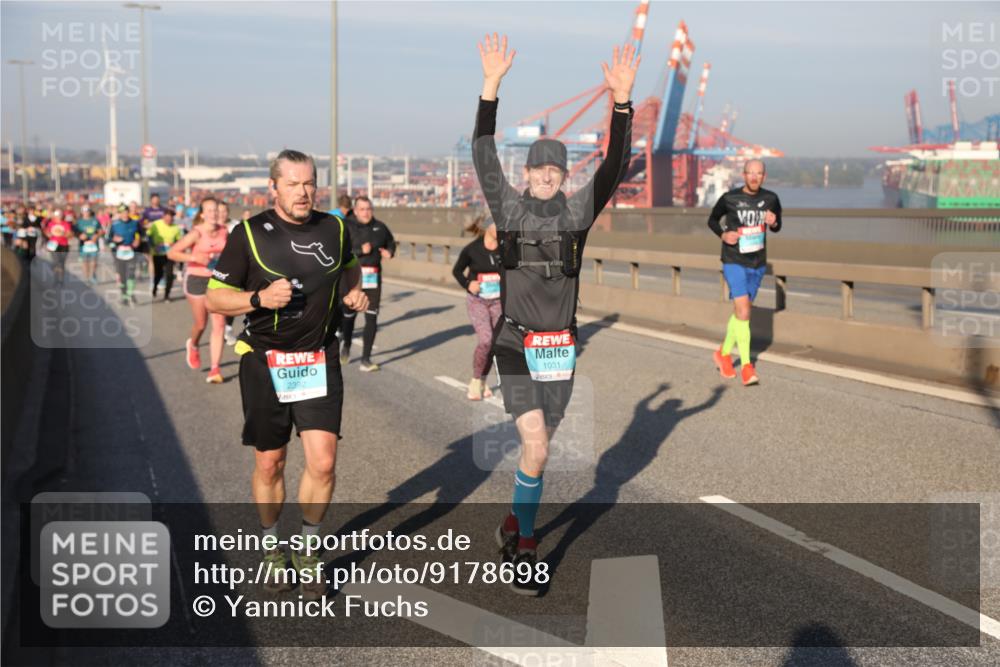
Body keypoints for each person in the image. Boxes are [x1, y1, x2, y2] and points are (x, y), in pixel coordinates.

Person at [473, 34, 637, 595]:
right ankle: (525, 547)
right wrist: (492, 85)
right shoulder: (509, 206)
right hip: (516, 343)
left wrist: (621, 103)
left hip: (560, 347)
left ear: (565, 177)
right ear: (527, 174)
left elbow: (615, 165)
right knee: (537, 444)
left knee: (536, 451)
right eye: (539, 168)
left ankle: (512, 520)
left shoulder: (577, 214)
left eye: (556, 170)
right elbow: (481, 149)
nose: (546, 175)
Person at [205, 149, 368, 600]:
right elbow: (216, 298)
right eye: (294, 184)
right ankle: (273, 547)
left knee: (323, 462)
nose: (304, 192)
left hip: (318, 358)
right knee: (269, 462)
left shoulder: (334, 227)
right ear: (273, 187)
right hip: (265, 362)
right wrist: (258, 300)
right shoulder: (249, 234)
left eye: (310, 182)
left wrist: (355, 294)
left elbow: (350, 271)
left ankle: (310, 551)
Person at [707, 159, 782, 386]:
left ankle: (723, 353)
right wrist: (723, 234)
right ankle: (747, 367)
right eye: (750, 173)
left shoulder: (771, 199)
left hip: (757, 263)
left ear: (764, 177)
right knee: (744, 310)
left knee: (741, 313)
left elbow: (777, 226)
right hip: (733, 260)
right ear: (743, 174)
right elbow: (711, 220)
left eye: (758, 173)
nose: (754, 177)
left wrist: (774, 222)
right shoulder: (730, 198)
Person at [167, 197, 228, 383]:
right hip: (196, 279)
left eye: (216, 210)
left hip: (217, 280)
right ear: (202, 214)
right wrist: (194, 257)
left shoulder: (225, 231)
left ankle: (214, 369)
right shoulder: (197, 233)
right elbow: (172, 253)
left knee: (219, 324)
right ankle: (193, 344)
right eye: (209, 210)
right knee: (201, 324)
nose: (214, 213)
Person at [338, 196, 395, 370]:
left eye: (369, 209)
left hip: (373, 279)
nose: (366, 212)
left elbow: (391, 242)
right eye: (362, 209)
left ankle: (366, 359)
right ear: (355, 211)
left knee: (372, 317)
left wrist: (390, 252)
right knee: (349, 317)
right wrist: (359, 251)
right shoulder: (346, 226)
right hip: (352, 279)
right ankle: (346, 343)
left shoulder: (380, 227)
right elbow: (338, 250)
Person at [452, 215, 502, 400]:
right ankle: (475, 380)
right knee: (486, 340)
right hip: (478, 301)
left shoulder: (506, 250)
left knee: (496, 343)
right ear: (488, 227)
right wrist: (468, 284)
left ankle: (482, 380)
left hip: (498, 302)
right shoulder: (472, 249)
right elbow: (456, 270)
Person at [108, 207, 141, 305]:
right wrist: (114, 240)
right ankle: (124, 296)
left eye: (126, 212)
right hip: (119, 252)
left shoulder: (135, 223)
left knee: (131, 273)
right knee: (122, 276)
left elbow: (142, 234)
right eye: (122, 213)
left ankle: (130, 293)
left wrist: (137, 241)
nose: (125, 214)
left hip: (131, 251)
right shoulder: (114, 224)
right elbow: (108, 239)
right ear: (120, 214)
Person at [148, 209, 183, 301]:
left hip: (170, 254)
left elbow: (179, 241)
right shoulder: (156, 224)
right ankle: (155, 288)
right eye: (166, 219)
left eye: (170, 220)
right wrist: (153, 245)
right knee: (159, 274)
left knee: (170, 275)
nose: (168, 221)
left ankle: (167, 295)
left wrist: (174, 244)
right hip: (158, 253)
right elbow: (149, 236)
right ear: (163, 217)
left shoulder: (176, 228)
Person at [43, 209, 73, 285]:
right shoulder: (51, 223)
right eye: (57, 216)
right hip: (53, 245)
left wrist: (62, 233)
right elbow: (46, 232)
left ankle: (61, 280)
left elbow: (69, 235)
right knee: (56, 262)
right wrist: (48, 234)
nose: (58, 217)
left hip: (64, 245)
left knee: (62, 263)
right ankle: (55, 279)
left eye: (60, 215)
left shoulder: (65, 224)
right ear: (54, 216)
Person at [74, 206, 103, 285]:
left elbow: (100, 231)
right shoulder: (79, 222)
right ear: (82, 212)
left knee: (94, 261)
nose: (86, 213)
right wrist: (80, 235)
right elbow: (75, 232)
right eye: (84, 211)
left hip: (94, 244)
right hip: (83, 245)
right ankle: (87, 278)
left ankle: (92, 275)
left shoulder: (95, 220)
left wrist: (96, 236)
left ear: (90, 212)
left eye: (87, 211)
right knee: (85, 262)